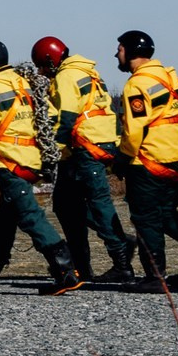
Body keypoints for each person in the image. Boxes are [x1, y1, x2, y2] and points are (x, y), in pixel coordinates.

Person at [0, 38, 82, 295]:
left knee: (31, 218)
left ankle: (66, 271)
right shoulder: (24, 82)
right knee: (5, 224)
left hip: (10, 162)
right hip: (33, 160)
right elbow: (52, 116)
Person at [35, 36, 134, 284]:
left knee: (99, 204)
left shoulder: (66, 76)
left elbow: (66, 119)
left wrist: (50, 154)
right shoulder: (88, 73)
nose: (41, 72)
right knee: (65, 205)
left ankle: (121, 262)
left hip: (87, 147)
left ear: (50, 60)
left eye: (42, 66)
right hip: (93, 144)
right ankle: (81, 265)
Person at [115, 29, 178, 291]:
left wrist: (122, 158)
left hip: (150, 159)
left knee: (146, 218)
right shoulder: (171, 77)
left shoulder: (136, 84)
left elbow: (135, 129)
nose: (116, 54)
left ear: (130, 51)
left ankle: (155, 276)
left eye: (120, 49)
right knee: (167, 216)